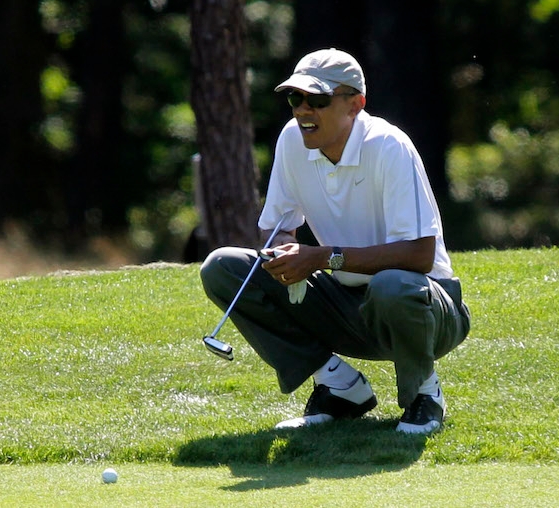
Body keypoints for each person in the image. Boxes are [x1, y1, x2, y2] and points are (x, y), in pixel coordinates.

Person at [200, 48, 471, 434]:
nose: (303, 111)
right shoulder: (293, 140)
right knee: (224, 266)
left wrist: (323, 257)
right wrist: (282, 255)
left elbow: (419, 255)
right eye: (296, 99)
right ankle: (339, 387)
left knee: (392, 284)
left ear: (355, 105)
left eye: (319, 100)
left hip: (425, 308)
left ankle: (423, 395)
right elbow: (277, 227)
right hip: (346, 306)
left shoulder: (388, 146)